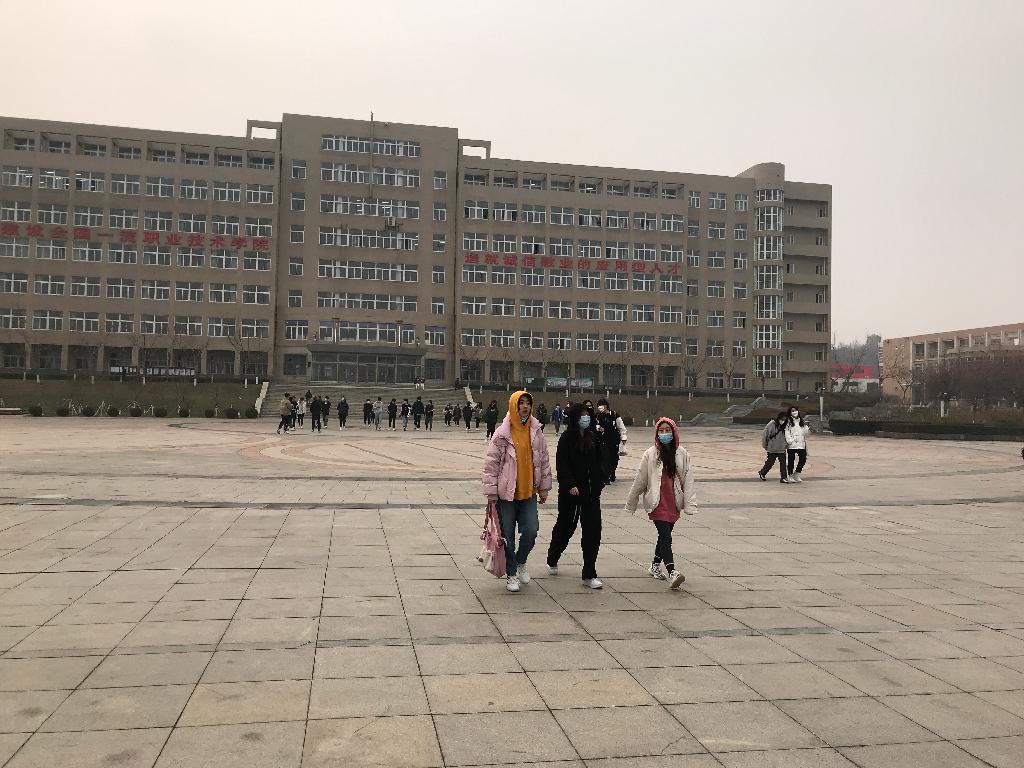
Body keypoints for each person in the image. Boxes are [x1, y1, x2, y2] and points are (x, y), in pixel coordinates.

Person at [482, 391, 552, 593]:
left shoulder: (536, 431)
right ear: (514, 405)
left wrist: (544, 488)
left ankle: (520, 562)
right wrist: (491, 493)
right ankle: (511, 573)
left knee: (531, 530)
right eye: (521, 403)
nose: (525, 407)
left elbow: (544, 461)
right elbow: (491, 465)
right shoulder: (502, 433)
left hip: (528, 492)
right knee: (508, 537)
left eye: (528, 403)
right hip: (507, 495)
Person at [624, 418, 697, 590]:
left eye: (667, 430)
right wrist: (631, 503)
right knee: (666, 536)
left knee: (664, 536)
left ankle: (655, 565)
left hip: (673, 502)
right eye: (661, 431)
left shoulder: (681, 453)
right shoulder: (650, 453)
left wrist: (690, 504)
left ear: (674, 432)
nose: (664, 434)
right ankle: (672, 572)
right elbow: (640, 479)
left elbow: (688, 480)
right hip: (656, 502)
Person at [547, 403, 605, 588]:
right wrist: (570, 484)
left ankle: (589, 573)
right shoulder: (566, 438)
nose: (585, 418)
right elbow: (562, 464)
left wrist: (600, 482)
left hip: (591, 494)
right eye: (582, 415)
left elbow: (601, 462)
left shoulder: (593, 437)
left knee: (593, 532)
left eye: (588, 415)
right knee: (566, 528)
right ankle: (553, 556)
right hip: (571, 494)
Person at [595, 398, 628, 483]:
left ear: (606, 406)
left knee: (614, 459)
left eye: (601, 405)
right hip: (603, 441)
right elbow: (596, 425)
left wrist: (623, 437)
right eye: (598, 406)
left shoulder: (614, 415)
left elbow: (621, 427)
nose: (599, 407)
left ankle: (612, 473)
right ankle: (606, 477)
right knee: (606, 459)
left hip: (614, 441)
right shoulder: (598, 416)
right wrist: (598, 428)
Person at [758, 411, 791, 483]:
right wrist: (765, 445)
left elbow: (788, 436)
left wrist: (787, 445)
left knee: (783, 463)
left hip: (781, 448)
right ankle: (762, 473)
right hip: (772, 448)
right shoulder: (771, 425)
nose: (783, 421)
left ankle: (783, 477)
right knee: (770, 463)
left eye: (785, 419)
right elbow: (765, 435)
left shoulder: (786, 426)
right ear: (779, 418)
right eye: (782, 419)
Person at [785, 405, 810, 482]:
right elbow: (786, 432)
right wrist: (790, 440)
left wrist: (807, 429)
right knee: (791, 461)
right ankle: (790, 475)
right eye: (792, 411)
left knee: (803, 459)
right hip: (792, 445)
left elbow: (804, 433)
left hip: (801, 444)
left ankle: (797, 474)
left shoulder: (801, 421)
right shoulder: (788, 422)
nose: (795, 412)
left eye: (796, 410)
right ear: (790, 412)